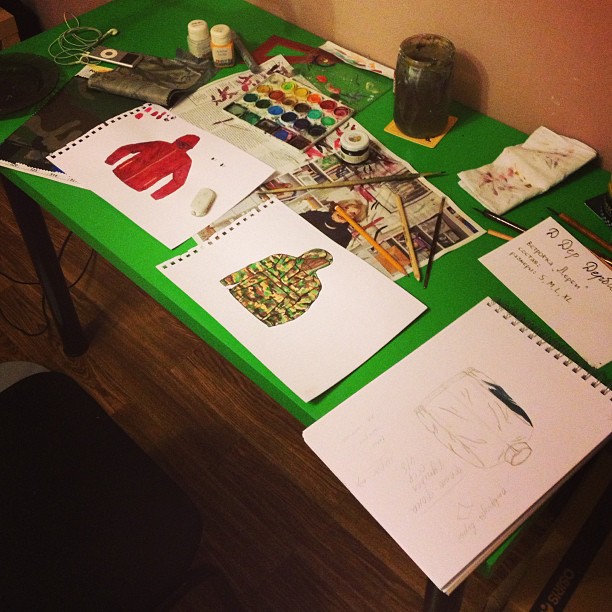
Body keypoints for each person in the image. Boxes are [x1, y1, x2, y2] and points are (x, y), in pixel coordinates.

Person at [220, 248, 333, 327]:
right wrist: (226, 282)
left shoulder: (314, 285)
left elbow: (300, 308)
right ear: (308, 255)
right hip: (237, 296)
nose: (314, 263)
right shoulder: (281, 258)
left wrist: (272, 321)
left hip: (258, 316)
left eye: (320, 263)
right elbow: (251, 270)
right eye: (314, 259)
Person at [300, 198, 367, 248]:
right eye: (345, 208)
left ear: (354, 220)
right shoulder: (314, 215)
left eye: (352, 214)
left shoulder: (345, 236)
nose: (344, 213)